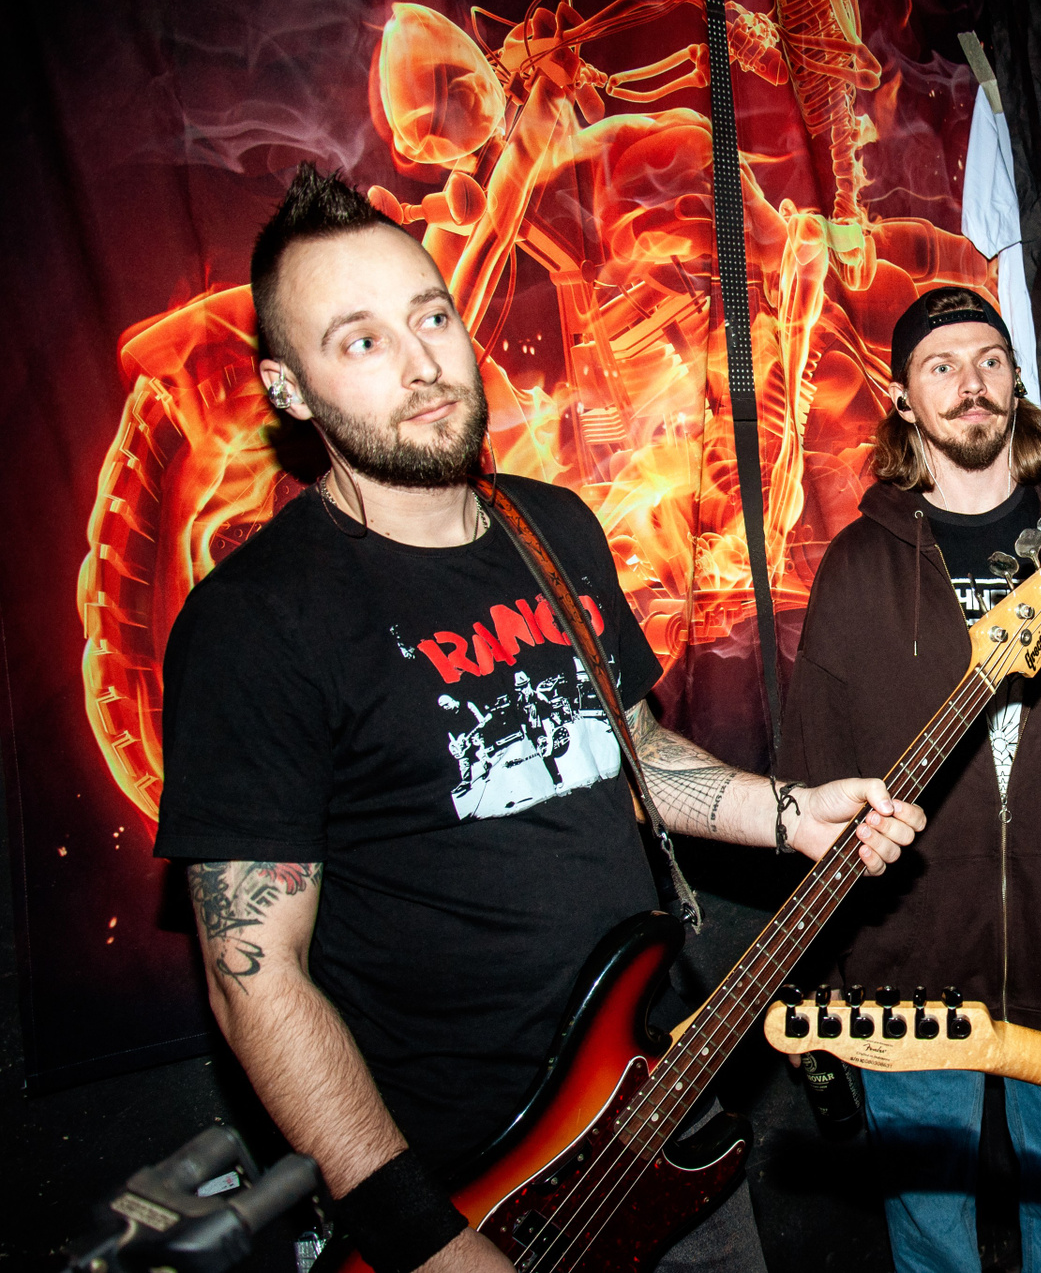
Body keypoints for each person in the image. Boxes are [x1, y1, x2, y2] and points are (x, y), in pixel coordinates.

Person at [154, 165, 926, 1273]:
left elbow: (632, 750)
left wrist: (790, 812)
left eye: (431, 317)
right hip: (471, 1190)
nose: (422, 363)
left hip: (656, 1120)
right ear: (288, 389)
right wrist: (424, 1240)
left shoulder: (554, 529)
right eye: (361, 340)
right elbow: (255, 976)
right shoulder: (256, 621)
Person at [776, 286, 1041, 1272]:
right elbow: (816, 769)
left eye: (991, 359)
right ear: (903, 399)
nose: (972, 383)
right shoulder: (857, 566)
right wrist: (839, 955)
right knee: (928, 1226)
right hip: (907, 954)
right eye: (942, 366)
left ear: (1015, 381)